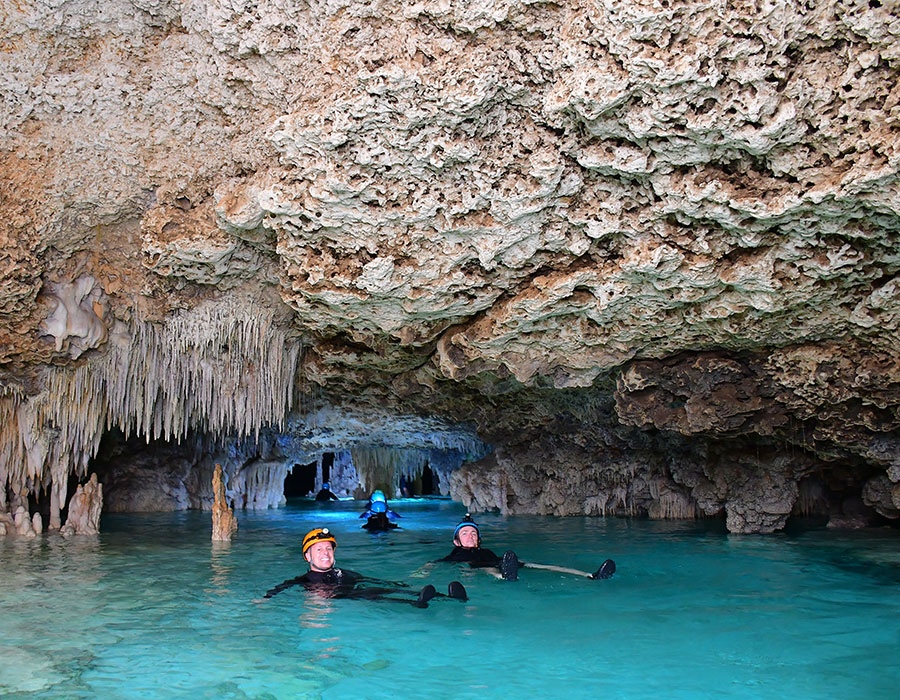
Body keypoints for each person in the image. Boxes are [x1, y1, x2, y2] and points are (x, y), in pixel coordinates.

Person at [261, 528, 467, 608]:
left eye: (328, 549)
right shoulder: (303, 580)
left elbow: (370, 579)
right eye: (319, 550)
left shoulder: (345, 573)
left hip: (356, 589)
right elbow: (280, 588)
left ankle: (447, 598)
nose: (325, 553)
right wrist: (263, 600)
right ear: (308, 556)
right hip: (343, 598)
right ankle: (413, 604)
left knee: (381, 589)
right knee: (371, 595)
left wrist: (395, 584)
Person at [436, 514, 616, 582]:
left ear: (479, 539)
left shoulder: (486, 551)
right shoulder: (456, 553)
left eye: (474, 533)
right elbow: (433, 565)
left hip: (498, 561)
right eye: (465, 533)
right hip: (477, 567)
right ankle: (504, 577)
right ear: (457, 541)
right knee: (488, 569)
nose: (470, 536)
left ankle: (589, 575)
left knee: (537, 565)